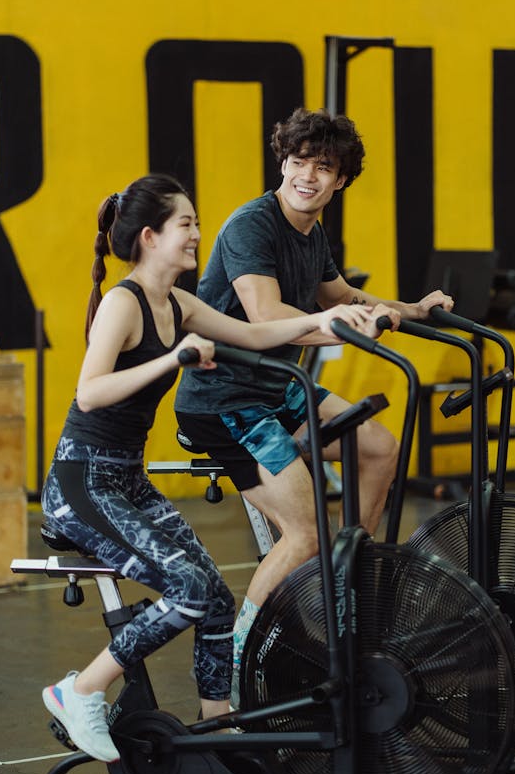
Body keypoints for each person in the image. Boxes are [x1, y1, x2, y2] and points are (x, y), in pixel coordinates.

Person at [41, 173, 376, 763]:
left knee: (216, 601)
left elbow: (252, 331)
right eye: (187, 224)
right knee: (191, 591)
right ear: (150, 236)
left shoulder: (178, 303)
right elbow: (90, 393)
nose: (198, 234)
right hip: (82, 483)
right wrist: (172, 359)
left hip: (124, 478)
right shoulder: (125, 302)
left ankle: (218, 729)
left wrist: (322, 323)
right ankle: (80, 690)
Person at [174, 108, 454, 702]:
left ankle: (341, 588)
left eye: (322, 168)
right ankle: (234, 662)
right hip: (226, 399)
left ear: (341, 181)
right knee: (304, 534)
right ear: (283, 162)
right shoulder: (255, 223)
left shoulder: (311, 231)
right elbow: (267, 316)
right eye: (298, 163)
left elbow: (340, 295)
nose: (307, 176)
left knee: (378, 446)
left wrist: (410, 312)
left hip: (276, 392)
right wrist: (342, 323)